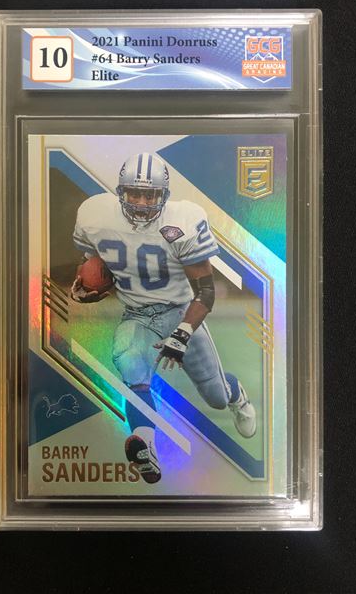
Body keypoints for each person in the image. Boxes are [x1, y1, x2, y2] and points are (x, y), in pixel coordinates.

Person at [70, 152, 256, 483]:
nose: (142, 203)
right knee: (133, 370)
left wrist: (182, 334)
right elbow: (92, 262)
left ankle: (234, 392)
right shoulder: (95, 215)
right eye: (134, 193)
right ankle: (146, 444)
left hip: (181, 312)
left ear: (164, 195)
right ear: (120, 191)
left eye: (150, 195)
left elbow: (206, 293)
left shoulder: (183, 221)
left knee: (214, 397)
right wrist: (84, 284)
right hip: (137, 316)